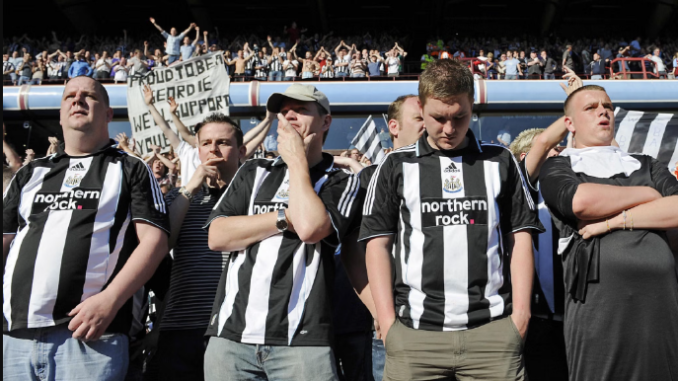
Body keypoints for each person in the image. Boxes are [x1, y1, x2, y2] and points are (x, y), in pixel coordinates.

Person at [360, 59, 542, 381]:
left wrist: (521, 318)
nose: (449, 129)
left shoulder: (501, 161)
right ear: (420, 106)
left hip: (493, 335)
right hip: (415, 337)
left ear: (472, 104)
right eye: (438, 118)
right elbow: (377, 245)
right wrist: (388, 324)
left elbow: (521, 238)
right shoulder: (393, 167)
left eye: (460, 117)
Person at [3, 76, 170, 381]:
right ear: (61, 112)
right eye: (70, 96)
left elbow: (155, 242)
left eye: (88, 96)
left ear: (108, 114)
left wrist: (110, 300)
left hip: (92, 336)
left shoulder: (131, 168)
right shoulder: (30, 173)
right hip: (16, 338)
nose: (77, 101)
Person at [203, 84, 362, 381]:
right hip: (231, 337)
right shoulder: (254, 170)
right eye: (284, 111)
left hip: (303, 341)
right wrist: (283, 217)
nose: (289, 117)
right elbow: (218, 236)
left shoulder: (341, 181)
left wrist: (297, 162)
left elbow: (312, 228)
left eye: (301, 110)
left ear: (325, 122)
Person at [540, 84, 678, 381]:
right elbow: (582, 201)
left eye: (607, 106)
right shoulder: (558, 167)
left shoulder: (647, 164)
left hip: (660, 310)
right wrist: (650, 196)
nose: (603, 110)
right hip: (600, 312)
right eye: (590, 107)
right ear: (570, 124)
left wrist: (616, 220)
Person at [155, 113, 246, 381]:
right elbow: (162, 244)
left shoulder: (254, 194)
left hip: (235, 327)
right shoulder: (180, 196)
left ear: (241, 150)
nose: (213, 149)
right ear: (197, 149)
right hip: (181, 325)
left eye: (222, 142)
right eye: (206, 143)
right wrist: (190, 187)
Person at [507, 71, 583, 381]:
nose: (561, 154)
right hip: (538, 321)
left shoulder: (570, 190)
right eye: (556, 150)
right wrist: (573, 106)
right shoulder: (522, 187)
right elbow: (542, 144)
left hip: (576, 317)